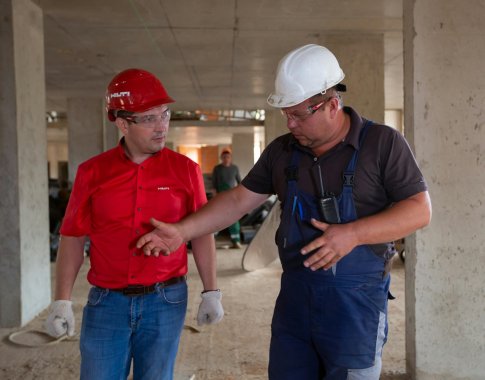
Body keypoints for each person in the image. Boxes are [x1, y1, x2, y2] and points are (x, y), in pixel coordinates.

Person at [136, 44, 432, 379]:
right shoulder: (282, 152)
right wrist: (182, 231)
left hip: (356, 304)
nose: (290, 124)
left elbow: (419, 210)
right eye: (285, 114)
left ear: (332, 104)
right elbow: (237, 201)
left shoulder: (382, 144)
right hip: (296, 298)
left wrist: (353, 234)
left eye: (298, 115)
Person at [44, 68, 224, 380]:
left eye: (165, 115)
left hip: (166, 301)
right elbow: (72, 237)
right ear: (123, 122)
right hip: (106, 303)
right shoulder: (92, 173)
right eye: (149, 118)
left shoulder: (186, 171)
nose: (162, 126)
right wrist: (61, 300)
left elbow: (202, 233)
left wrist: (212, 291)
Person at [211, 149, 242, 248]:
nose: (226, 159)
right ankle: (212, 240)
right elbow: (214, 183)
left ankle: (236, 241)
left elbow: (240, 182)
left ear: (230, 158)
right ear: (221, 158)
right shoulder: (217, 168)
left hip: (231, 196)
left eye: (228, 157)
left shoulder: (234, 168)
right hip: (220, 196)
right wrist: (214, 194)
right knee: (217, 217)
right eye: (224, 157)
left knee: (234, 218)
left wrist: (239, 194)